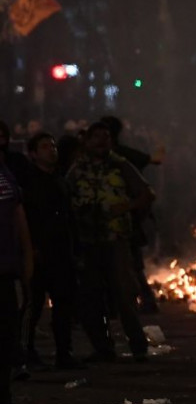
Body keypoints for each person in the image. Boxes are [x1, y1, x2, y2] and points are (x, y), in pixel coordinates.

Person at [67, 122, 154, 363]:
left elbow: (146, 194)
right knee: (92, 297)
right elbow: (66, 198)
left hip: (116, 240)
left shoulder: (121, 165)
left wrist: (126, 209)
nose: (101, 142)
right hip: (88, 240)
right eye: (96, 137)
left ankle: (138, 346)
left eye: (106, 137)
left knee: (125, 296)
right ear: (87, 141)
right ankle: (103, 348)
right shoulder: (77, 170)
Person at [21, 132, 83, 369]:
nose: (52, 150)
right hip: (39, 252)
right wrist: (31, 248)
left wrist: (75, 249)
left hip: (61, 252)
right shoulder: (29, 183)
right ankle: (26, 352)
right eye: (45, 147)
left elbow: (69, 218)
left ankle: (64, 353)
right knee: (34, 306)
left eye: (53, 146)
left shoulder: (60, 180)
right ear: (34, 153)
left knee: (63, 305)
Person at [101, 116, 163, 315]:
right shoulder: (120, 155)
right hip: (122, 219)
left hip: (124, 219)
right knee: (130, 265)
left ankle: (135, 302)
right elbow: (156, 160)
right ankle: (138, 301)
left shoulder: (120, 157)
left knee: (128, 264)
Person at [0, 159, 33, 404]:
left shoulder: (4, 170)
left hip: (5, 269)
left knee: (6, 339)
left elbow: (17, 213)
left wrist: (27, 256)